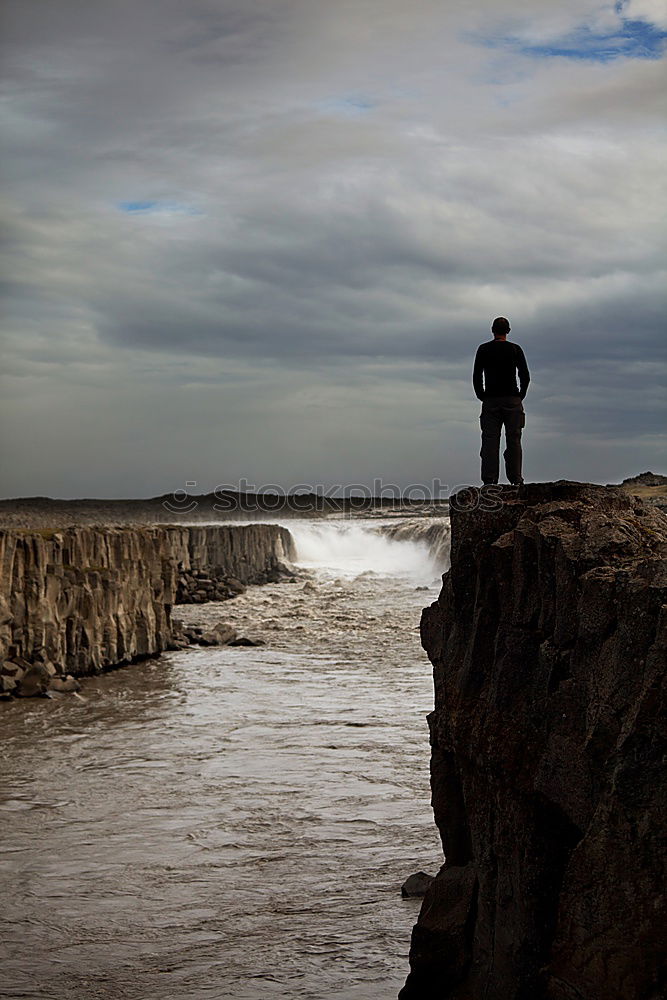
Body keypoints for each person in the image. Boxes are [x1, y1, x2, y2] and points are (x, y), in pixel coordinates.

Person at [473, 317, 530, 486]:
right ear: (508, 331)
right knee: (514, 439)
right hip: (512, 399)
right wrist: (520, 395)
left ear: (492, 330)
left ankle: (490, 481)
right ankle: (516, 479)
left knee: (490, 441)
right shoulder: (515, 349)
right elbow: (525, 375)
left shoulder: (483, 349)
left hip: (490, 400)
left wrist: (481, 395)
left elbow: (477, 375)